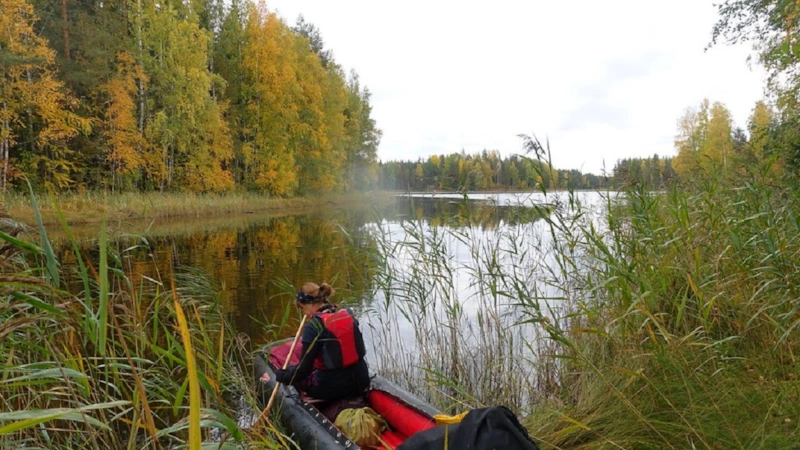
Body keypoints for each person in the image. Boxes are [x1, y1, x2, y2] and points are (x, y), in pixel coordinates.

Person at [271, 282, 370, 401]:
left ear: (310, 303)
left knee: (298, 376)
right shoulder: (347, 312)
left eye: (302, 308)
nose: (304, 314)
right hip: (361, 380)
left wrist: (284, 376)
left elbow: (303, 371)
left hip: (332, 389)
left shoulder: (314, 325)